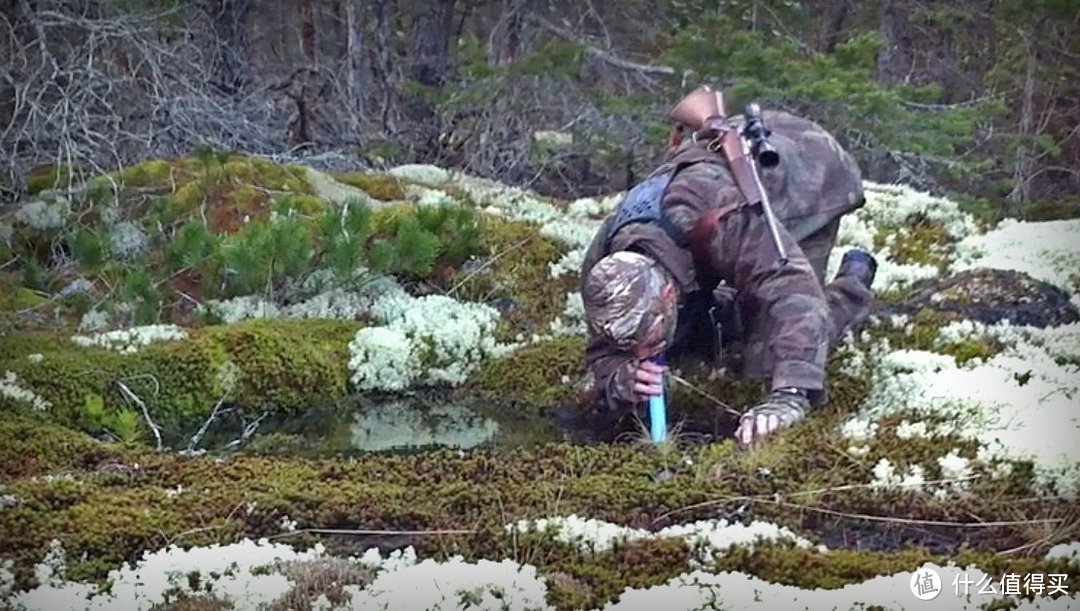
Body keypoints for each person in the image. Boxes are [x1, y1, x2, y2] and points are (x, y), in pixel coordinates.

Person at [578, 86, 878, 446]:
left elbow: (793, 293)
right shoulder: (605, 272)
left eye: (649, 335)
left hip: (808, 175)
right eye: (633, 341)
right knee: (702, 336)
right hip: (723, 167)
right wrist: (621, 379)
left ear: (670, 293)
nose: (644, 352)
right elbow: (603, 352)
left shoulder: (721, 221)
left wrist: (788, 397)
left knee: (771, 344)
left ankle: (854, 280)